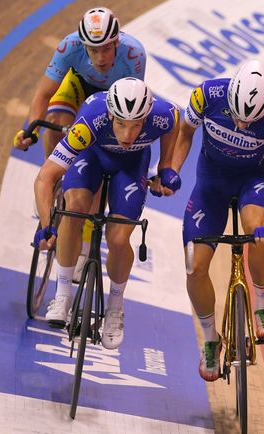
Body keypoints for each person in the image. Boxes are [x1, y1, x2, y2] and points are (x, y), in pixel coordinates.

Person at [33, 77, 181, 349]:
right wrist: (46, 225)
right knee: (74, 209)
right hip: (92, 155)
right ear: (111, 114)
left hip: (132, 165)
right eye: (121, 124)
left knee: (118, 239)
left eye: (136, 126)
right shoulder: (91, 120)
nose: (127, 135)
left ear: (146, 118)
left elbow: (175, 120)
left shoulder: (162, 115)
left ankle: (115, 306)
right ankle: (63, 293)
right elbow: (45, 178)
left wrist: (166, 167)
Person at [171, 59, 264, 381]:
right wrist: (172, 170)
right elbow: (184, 132)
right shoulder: (206, 95)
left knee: (257, 230)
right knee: (195, 267)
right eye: (237, 116)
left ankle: (262, 307)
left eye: (249, 120)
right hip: (211, 182)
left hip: (253, 180)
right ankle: (210, 339)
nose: (241, 124)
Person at [14, 6, 147, 281]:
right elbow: (43, 94)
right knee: (56, 120)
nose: (100, 58)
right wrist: (31, 129)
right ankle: (52, 179)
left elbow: (129, 107)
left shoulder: (134, 54)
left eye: (106, 49)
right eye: (93, 50)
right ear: (83, 44)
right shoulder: (69, 47)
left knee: (101, 153)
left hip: (112, 98)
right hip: (78, 86)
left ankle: (86, 236)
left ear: (116, 42)